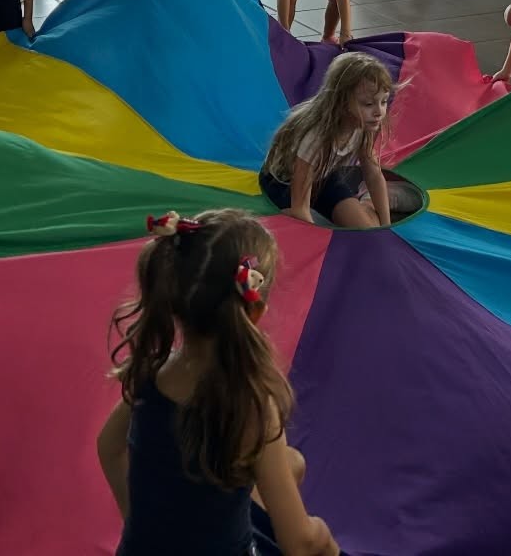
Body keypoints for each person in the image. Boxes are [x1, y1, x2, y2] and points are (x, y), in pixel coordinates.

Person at [98, 208, 338, 556]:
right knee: (291, 485)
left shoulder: (152, 373)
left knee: (292, 464)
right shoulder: (251, 404)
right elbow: (300, 543)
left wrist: (139, 529)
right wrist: (326, 540)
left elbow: (108, 446)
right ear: (254, 311)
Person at [259, 52, 393, 229]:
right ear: (341, 103)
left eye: (384, 101)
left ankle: (368, 200)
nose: (379, 112)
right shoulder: (315, 137)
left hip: (323, 177)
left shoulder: (363, 124)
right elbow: (300, 209)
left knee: (367, 228)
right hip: (283, 183)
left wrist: (387, 227)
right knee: (296, 226)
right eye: (368, 104)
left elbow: (374, 175)